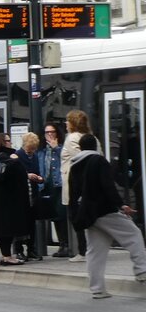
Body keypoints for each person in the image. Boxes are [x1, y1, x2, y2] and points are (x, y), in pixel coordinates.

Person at [68, 133, 146, 298]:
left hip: (89, 215)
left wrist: (76, 216)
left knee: (96, 252)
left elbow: (73, 194)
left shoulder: (74, 165)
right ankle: (142, 271)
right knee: (134, 235)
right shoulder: (99, 161)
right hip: (105, 210)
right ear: (96, 146)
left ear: (80, 147)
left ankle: (97, 289)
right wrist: (121, 205)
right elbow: (108, 186)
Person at [0, 133, 33, 267]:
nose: (10, 142)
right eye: (7, 140)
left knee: (2, 229)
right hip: (8, 200)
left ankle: (6, 255)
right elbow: (16, 174)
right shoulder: (7, 158)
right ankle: (7, 257)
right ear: (2, 142)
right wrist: (15, 161)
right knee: (7, 229)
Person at [61, 109, 96, 262]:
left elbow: (81, 158)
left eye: (67, 121)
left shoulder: (72, 138)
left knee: (76, 218)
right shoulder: (91, 136)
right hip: (87, 184)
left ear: (73, 123)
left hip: (74, 184)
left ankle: (83, 252)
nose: (65, 124)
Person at [14, 131, 44, 261]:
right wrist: (27, 175)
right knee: (20, 223)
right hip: (21, 194)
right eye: (30, 149)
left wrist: (39, 178)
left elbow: (37, 171)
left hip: (33, 192)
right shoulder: (17, 155)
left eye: (33, 150)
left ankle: (31, 248)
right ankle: (18, 250)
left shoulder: (35, 156)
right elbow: (14, 174)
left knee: (32, 222)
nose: (32, 152)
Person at [42, 123, 68, 256]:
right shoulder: (44, 149)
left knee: (62, 214)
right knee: (54, 216)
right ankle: (62, 244)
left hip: (60, 184)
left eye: (52, 131)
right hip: (49, 185)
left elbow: (66, 159)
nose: (50, 134)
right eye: (47, 132)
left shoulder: (62, 147)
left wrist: (56, 148)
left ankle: (66, 244)